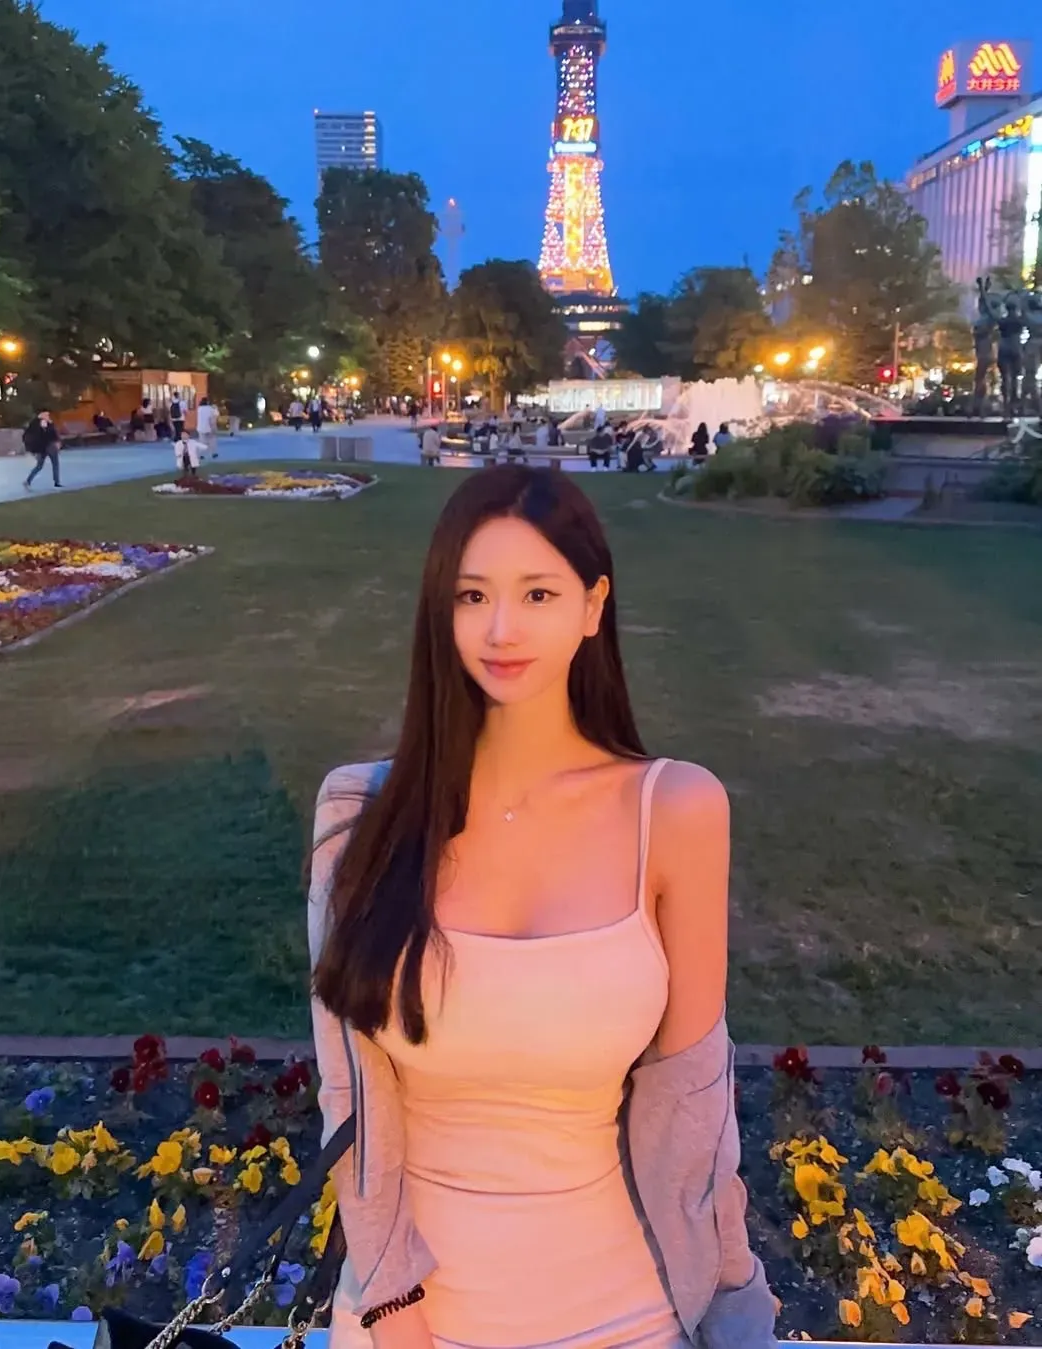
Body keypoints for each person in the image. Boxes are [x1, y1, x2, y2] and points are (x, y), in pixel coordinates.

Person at [308, 466, 774, 1349]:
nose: (501, 628)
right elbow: (353, 1092)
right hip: (410, 1315)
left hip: (626, 1308)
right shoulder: (360, 816)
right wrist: (393, 1310)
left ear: (593, 605)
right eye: (472, 594)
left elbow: (694, 1103)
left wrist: (732, 1293)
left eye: (538, 593)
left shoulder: (676, 811)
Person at [23, 409, 63, 490]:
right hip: (45, 446)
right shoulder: (37, 423)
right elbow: (46, 435)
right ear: (41, 414)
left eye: (48, 415)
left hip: (46, 447)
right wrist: (46, 427)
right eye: (46, 415)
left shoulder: (45, 423)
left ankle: (56, 481)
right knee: (44, 465)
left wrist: (50, 425)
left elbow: (53, 435)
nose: (48, 416)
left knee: (49, 464)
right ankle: (28, 481)